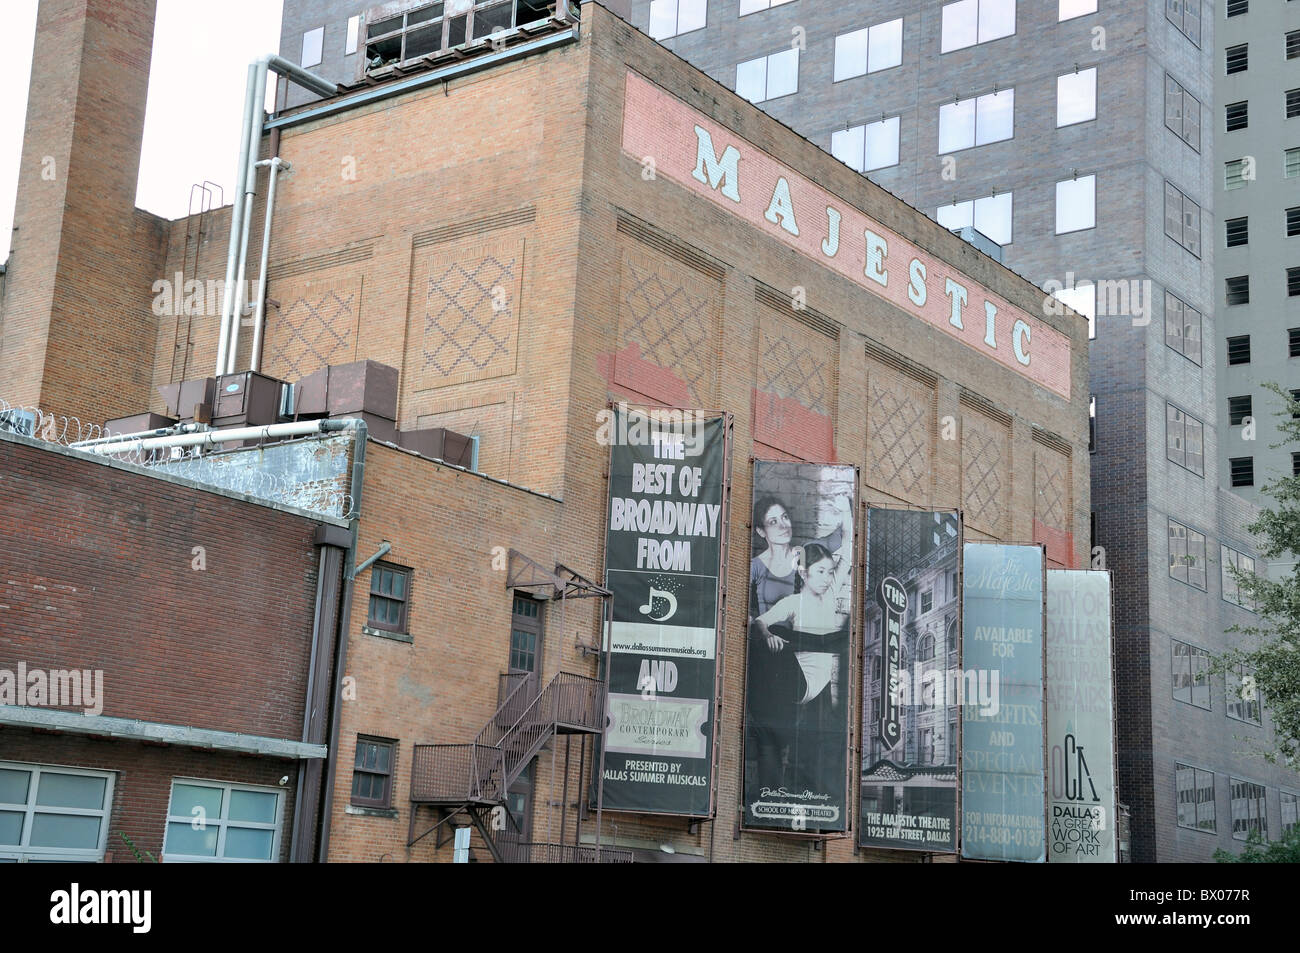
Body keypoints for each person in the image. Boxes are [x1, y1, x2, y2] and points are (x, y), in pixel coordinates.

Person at [747, 543, 850, 801]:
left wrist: (842, 513)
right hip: (796, 683)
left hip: (812, 687)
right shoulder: (793, 602)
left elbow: (848, 549)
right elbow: (762, 622)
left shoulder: (830, 594)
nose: (827, 579)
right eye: (820, 572)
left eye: (830, 572)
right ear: (804, 574)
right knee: (771, 633)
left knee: (781, 635)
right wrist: (767, 634)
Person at [749, 495, 849, 618]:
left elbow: (842, 537)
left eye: (784, 517)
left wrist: (846, 507)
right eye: (773, 522)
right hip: (769, 635)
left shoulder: (804, 551)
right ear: (761, 531)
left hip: (805, 633)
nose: (783, 526)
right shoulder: (755, 566)